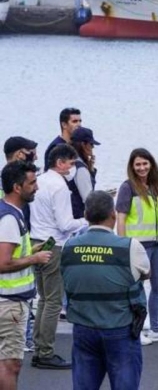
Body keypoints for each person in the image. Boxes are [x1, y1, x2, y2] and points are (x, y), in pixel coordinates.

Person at [61, 191, 150, 390]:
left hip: (83, 327)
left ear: (86, 215)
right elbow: (146, 273)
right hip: (120, 327)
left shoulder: (68, 246)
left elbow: (66, 276)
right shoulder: (129, 247)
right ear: (113, 214)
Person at [29, 144, 88, 370]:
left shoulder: (40, 180)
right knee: (53, 301)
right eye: (71, 163)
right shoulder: (60, 186)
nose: (72, 168)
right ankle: (45, 351)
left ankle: (39, 348)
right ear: (60, 163)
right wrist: (86, 220)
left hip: (37, 241)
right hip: (54, 244)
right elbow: (65, 224)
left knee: (43, 299)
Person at [0, 161, 52, 388]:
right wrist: (34, 259)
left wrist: (30, 251)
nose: (37, 187)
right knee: (10, 364)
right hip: (9, 303)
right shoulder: (10, 219)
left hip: (7, 301)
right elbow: (3, 262)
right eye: (32, 183)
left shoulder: (8, 212)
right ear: (17, 187)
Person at [116, 148, 158, 344]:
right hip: (137, 245)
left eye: (145, 163)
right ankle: (136, 329)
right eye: (138, 164)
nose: (141, 168)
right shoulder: (128, 187)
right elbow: (121, 218)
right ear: (132, 167)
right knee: (136, 288)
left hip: (157, 242)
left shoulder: (155, 186)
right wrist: (122, 244)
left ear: (151, 164)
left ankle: (156, 328)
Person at [68, 127, 101, 219]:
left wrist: (91, 168)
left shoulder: (70, 163)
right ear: (83, 145)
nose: (93, 147)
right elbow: (88, 199)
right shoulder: (81, 169)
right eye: (91, 144)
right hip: (79, 217)